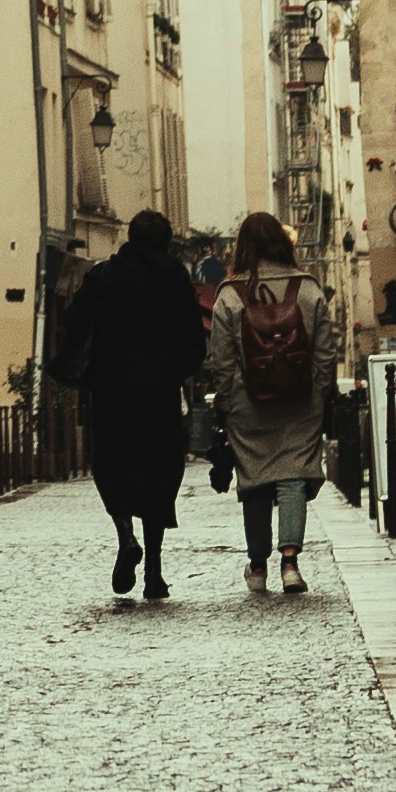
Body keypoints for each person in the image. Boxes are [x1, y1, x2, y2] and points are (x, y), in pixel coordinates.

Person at [63, 214, 206, 602]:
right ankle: (154, 572)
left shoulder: (105, 275)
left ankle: (125, 535)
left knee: (113, 465)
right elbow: (194, 340)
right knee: (158, 473)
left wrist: (92, 366)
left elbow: (73, 321)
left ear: (129, 237)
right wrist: (173, 371)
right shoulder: (175, 278)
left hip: (112, 392)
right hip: (159, 394)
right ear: (166, 241)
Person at [207, 209, 340, 595]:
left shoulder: (229, 295)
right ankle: (290, 564)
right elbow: (326, 352)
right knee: (293, 476)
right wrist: (316, 393)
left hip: (247, 405)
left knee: (255, 480)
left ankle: (258, 566)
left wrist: (228, 403)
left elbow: (221, 360)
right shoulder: (308, 289)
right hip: (301, 403)